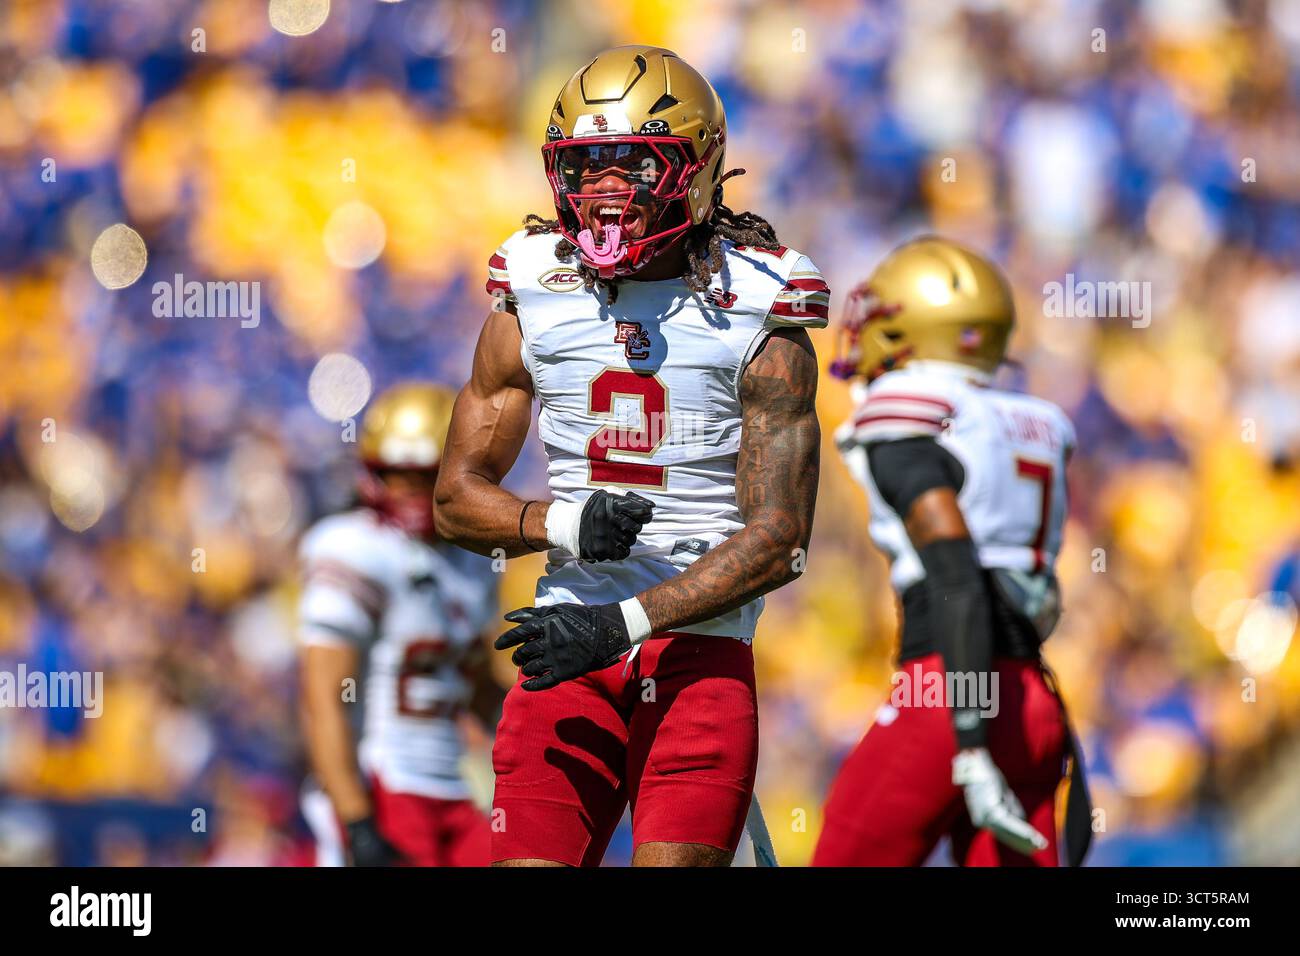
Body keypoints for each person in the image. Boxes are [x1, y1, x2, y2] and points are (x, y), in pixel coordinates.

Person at [434, 45, 829, 867]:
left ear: (697, 169)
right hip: (566, 645)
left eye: (635, 166)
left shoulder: (760, 301)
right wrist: (564, 523)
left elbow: (780, 539)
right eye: (587, 167)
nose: (606, 193)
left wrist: (623, 624)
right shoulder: (533, 285)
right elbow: (454, 500)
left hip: (695, 655)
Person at [813, 237, 1089, 867]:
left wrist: (968, 738)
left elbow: (957, 575)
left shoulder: (908, 414)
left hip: (948, 690)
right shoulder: (1032, 420)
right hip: (1035, 699)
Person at [298, 383, 502, 866]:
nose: (408, 492)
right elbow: (322, 698)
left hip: (459, 787)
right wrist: (356, 820)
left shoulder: (473, 559)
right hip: (386, 781)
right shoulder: (353, 546)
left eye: (423, 476)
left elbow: (476, 686)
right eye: (396, 475)